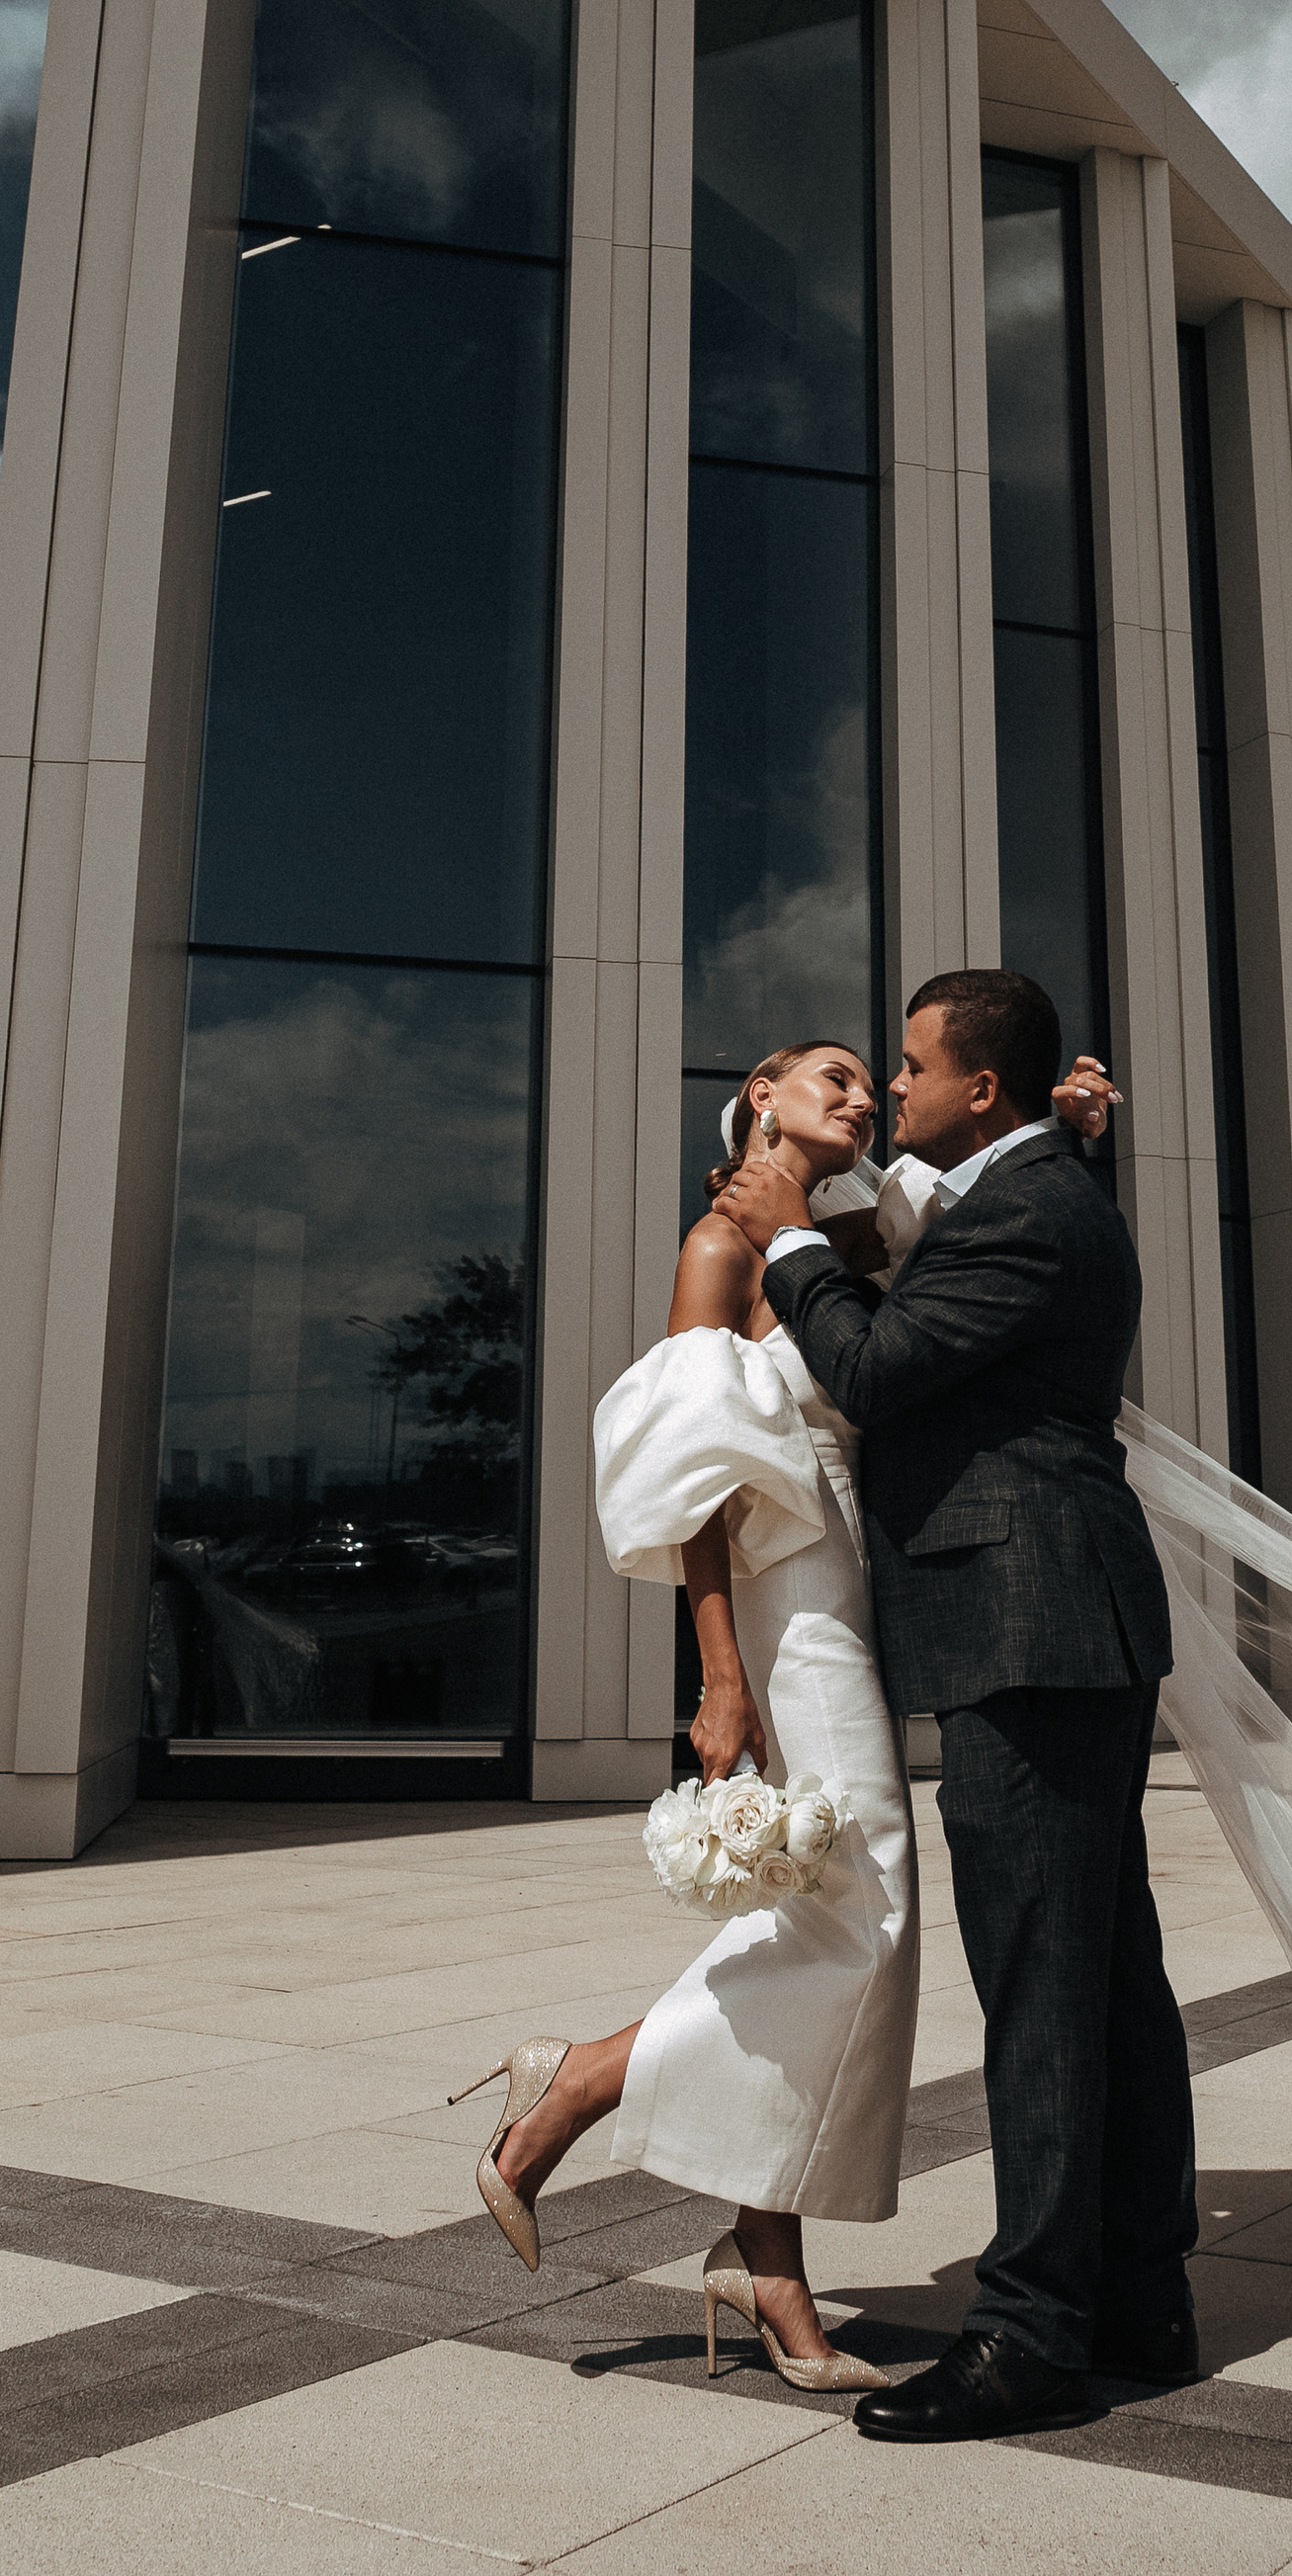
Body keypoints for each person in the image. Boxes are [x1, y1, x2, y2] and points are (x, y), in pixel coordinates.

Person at [449, 1029, 1120, 2389]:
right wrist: (719, 1674)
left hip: (854, 1593)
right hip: (789, 1599)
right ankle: (579, 2079)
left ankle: (764, 2258)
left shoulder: (856, 1233)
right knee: (863, 1906)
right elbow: (689, 1478)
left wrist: (1063, 1117)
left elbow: (975, 1216)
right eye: (834, 1073)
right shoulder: (720, 1245)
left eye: (877, 1077)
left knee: (818, 1909)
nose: (865, 1092)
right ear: (759, 1096)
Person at [715, 970, 1195, 2442]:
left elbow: (871, 1360)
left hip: (1028, 1622)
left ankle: (1034, 2333)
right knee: (1103, 1974)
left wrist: (786, 1235)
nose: (895, 1096)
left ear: (976, 1087)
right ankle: (1133, 2297)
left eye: (913, 1068)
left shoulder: (1030, 1210)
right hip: (1052, 1621)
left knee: (1047, 1988)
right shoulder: (1028, 1184)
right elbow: (922, 1202)